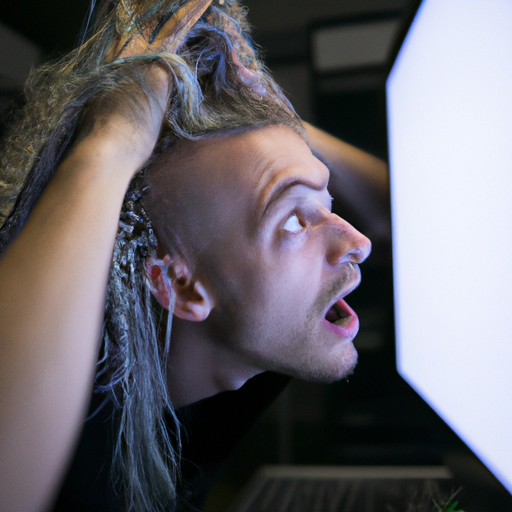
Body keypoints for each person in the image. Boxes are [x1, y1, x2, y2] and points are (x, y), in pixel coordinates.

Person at [0, 1, 387, 511]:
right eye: (295, 220)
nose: (358, 242)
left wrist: (258, 101)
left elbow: (389, 213)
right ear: (181, 286)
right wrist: (111, 142)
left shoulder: (245, 317)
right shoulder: (70, 423)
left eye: (327, 202)